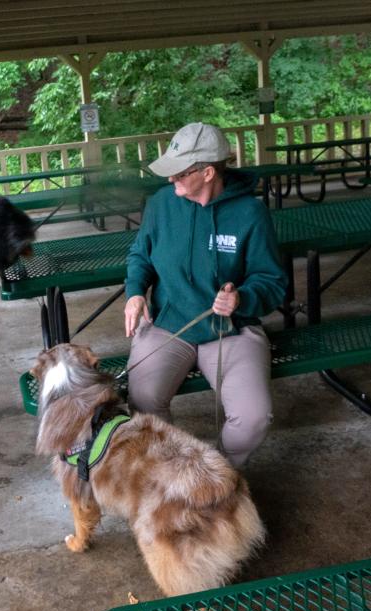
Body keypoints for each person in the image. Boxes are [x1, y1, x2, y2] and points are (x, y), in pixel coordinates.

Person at [123, 122, 287, 467]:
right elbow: (140, 255)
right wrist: (135, 292)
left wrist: (242, 297)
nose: (171, 180)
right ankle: (171, 477)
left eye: (179, 173)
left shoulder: (250, 213)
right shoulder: (161, 205)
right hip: (170, 325)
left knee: (253, 418)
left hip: (231, 330)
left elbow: (272, 281)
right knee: (143, 400)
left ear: (208, 172)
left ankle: (218, 474)